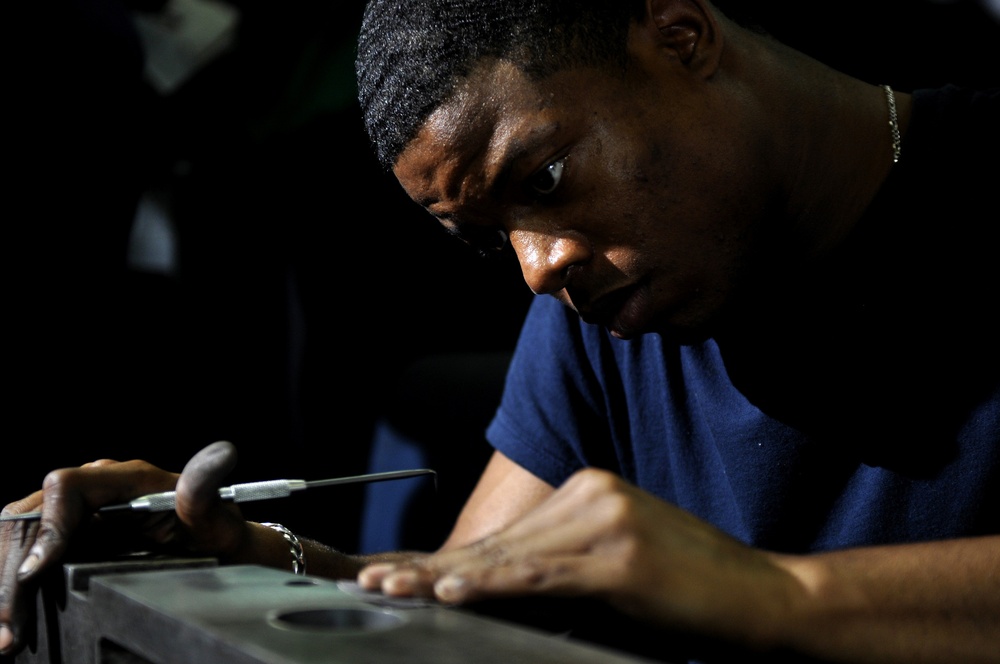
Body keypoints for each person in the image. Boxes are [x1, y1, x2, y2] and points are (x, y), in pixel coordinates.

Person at [2, 1, 998, 661]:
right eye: (490, 241)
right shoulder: (601, 315)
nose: (537, 267)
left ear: (683, 36)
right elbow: (450, 594)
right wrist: (237, 555)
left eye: (547, 180)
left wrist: (774, 595)